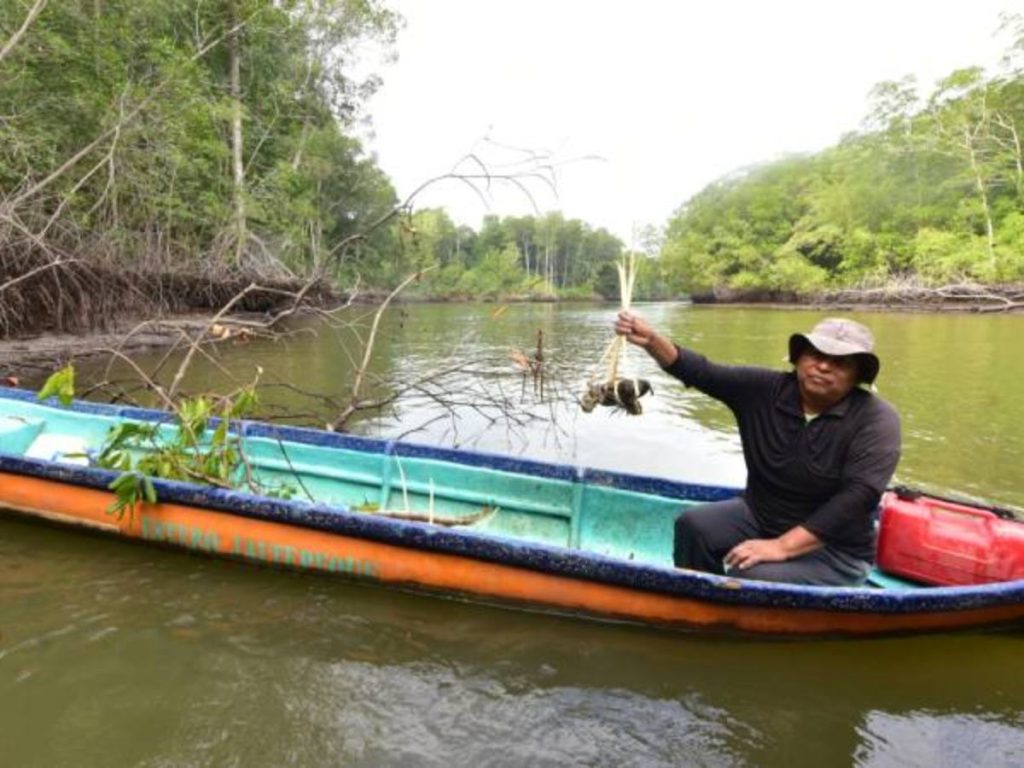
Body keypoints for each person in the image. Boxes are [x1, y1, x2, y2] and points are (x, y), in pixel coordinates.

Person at [614, 312, 901, 586]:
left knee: (752, 575)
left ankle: (734, 618)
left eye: (840, 362)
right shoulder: (763, 389)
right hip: (761, 518)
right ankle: (701, 608)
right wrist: (651, 340)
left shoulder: (876, 420)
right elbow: (701, 372)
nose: (823, 366)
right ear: (799, 358)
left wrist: (783, 546)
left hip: (835, 550)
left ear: (857, 374)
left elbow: (859, 497)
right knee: (695, 526)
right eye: (816, 355)